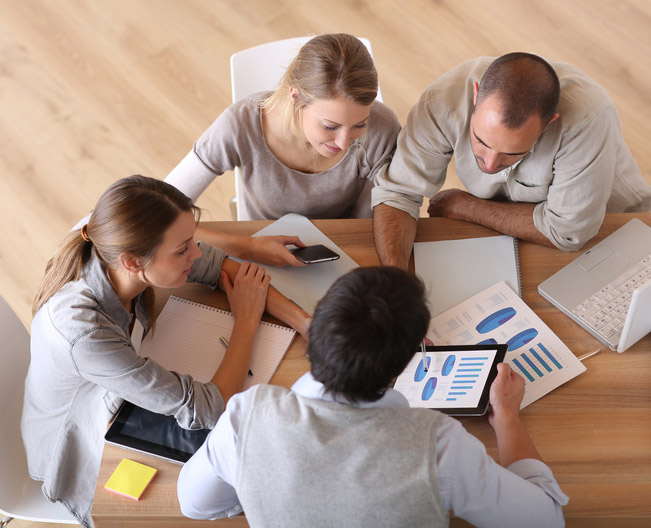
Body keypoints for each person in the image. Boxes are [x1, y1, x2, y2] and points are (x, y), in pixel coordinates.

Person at [21, 176, 310, 528]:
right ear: (131, 262)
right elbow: (208, 407)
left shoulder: (110, 240)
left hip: (117, 392)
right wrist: (246, 320)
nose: (198, 253)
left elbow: (223, 268)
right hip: (81, 448)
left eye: (192, 241)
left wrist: (304, 322)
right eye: (183, 249)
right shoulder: (83, 332)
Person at [177, 267, 568, 527]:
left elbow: (194, 504)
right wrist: (507, 417)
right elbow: (546, 519)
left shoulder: (246, 417)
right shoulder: (439, 446)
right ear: (404, 362)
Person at [372, 52, 651, 269]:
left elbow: (568, 233)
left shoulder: (586, 121)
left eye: (512, 153)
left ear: (548, 124)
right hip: (514, 231)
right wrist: (396, 278)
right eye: (481, 141)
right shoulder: (443, 100)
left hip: (614, 229)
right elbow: (398, 192)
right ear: (476, 95)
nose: (491, 165)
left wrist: (465, 205)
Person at [165, 33, 401, 267]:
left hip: (342, 248)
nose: (344, 144)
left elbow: (366, 225)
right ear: (296, 98)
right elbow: (157, 210)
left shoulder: (382, 128)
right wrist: (246, 246)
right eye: (330, 126)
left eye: (360, 125)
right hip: (259, 244)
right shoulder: (240, 125)